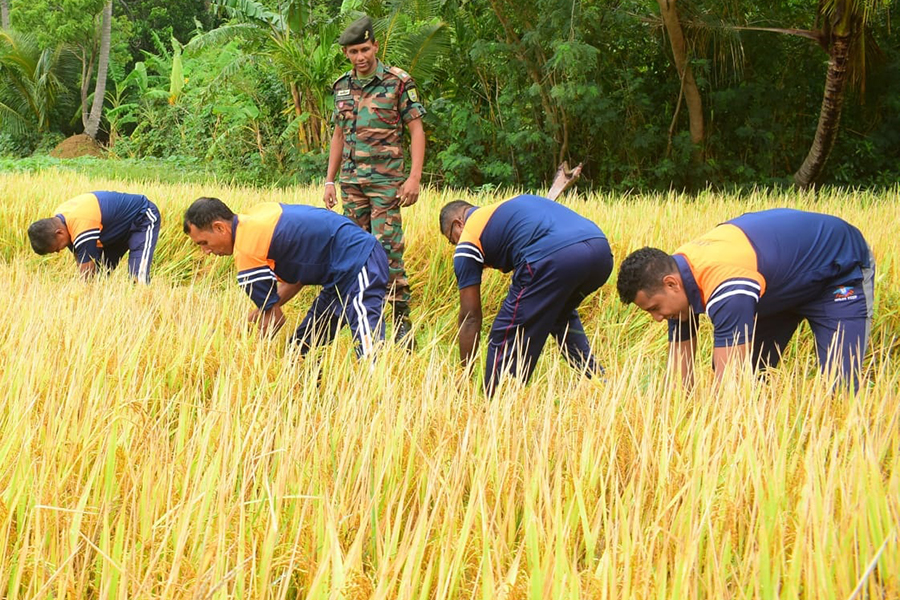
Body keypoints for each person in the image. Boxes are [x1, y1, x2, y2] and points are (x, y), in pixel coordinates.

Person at [616, 208, 875, 389]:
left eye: (655, 308)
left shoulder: (725, 283)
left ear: (670, 284)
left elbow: (730, 385)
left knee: (840, 385)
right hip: (776, 284)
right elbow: (679, 379)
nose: (658, 318)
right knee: (752, 375)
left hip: (836, 271)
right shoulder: (675, 279)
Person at [439, 193, 613, 396]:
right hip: (600, 252)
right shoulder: (504, 209)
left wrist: (464, 372)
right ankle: (596, 380)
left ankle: (497, 404)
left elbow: (470, 317)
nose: (455, 245)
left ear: (458, 224)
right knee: (560, 316)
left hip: (553, 257)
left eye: (452, 240)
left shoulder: (469, 237)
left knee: (506, 334)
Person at [323, 14, 426, 346]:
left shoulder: (398, 82)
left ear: (375, 46)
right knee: (351, 250)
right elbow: (338, 135)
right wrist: (329, 181)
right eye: (353, 52)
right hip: (351, 185)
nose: (360, 57)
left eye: (365, 49)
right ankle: (359, 315)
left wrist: (413, 178)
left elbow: (416, 130)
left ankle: (400, 323)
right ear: (346, 54)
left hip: (386, 184)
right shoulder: (341, 87)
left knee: (387, 251)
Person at [183, 197, 388, 360]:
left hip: (359, 260)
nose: (205, 251)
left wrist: (244, 351)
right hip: (339, 273)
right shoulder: (256, 217)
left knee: (368, 344)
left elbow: (274, 319)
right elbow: (295, 279)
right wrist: (260, 311)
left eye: (204, 242)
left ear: (220, 227)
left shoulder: (246, 251)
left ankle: (379, 400)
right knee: (300, 350)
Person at [27, 191, 160, 283]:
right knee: (100, 275)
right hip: (113, 229)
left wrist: (81, 298)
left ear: (59, 233)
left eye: (56, 248)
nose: (58, 251)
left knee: (138, 278)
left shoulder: (81, 225)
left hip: (141, 218)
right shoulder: (60, 221)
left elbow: (86, 274)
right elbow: (81, 257)